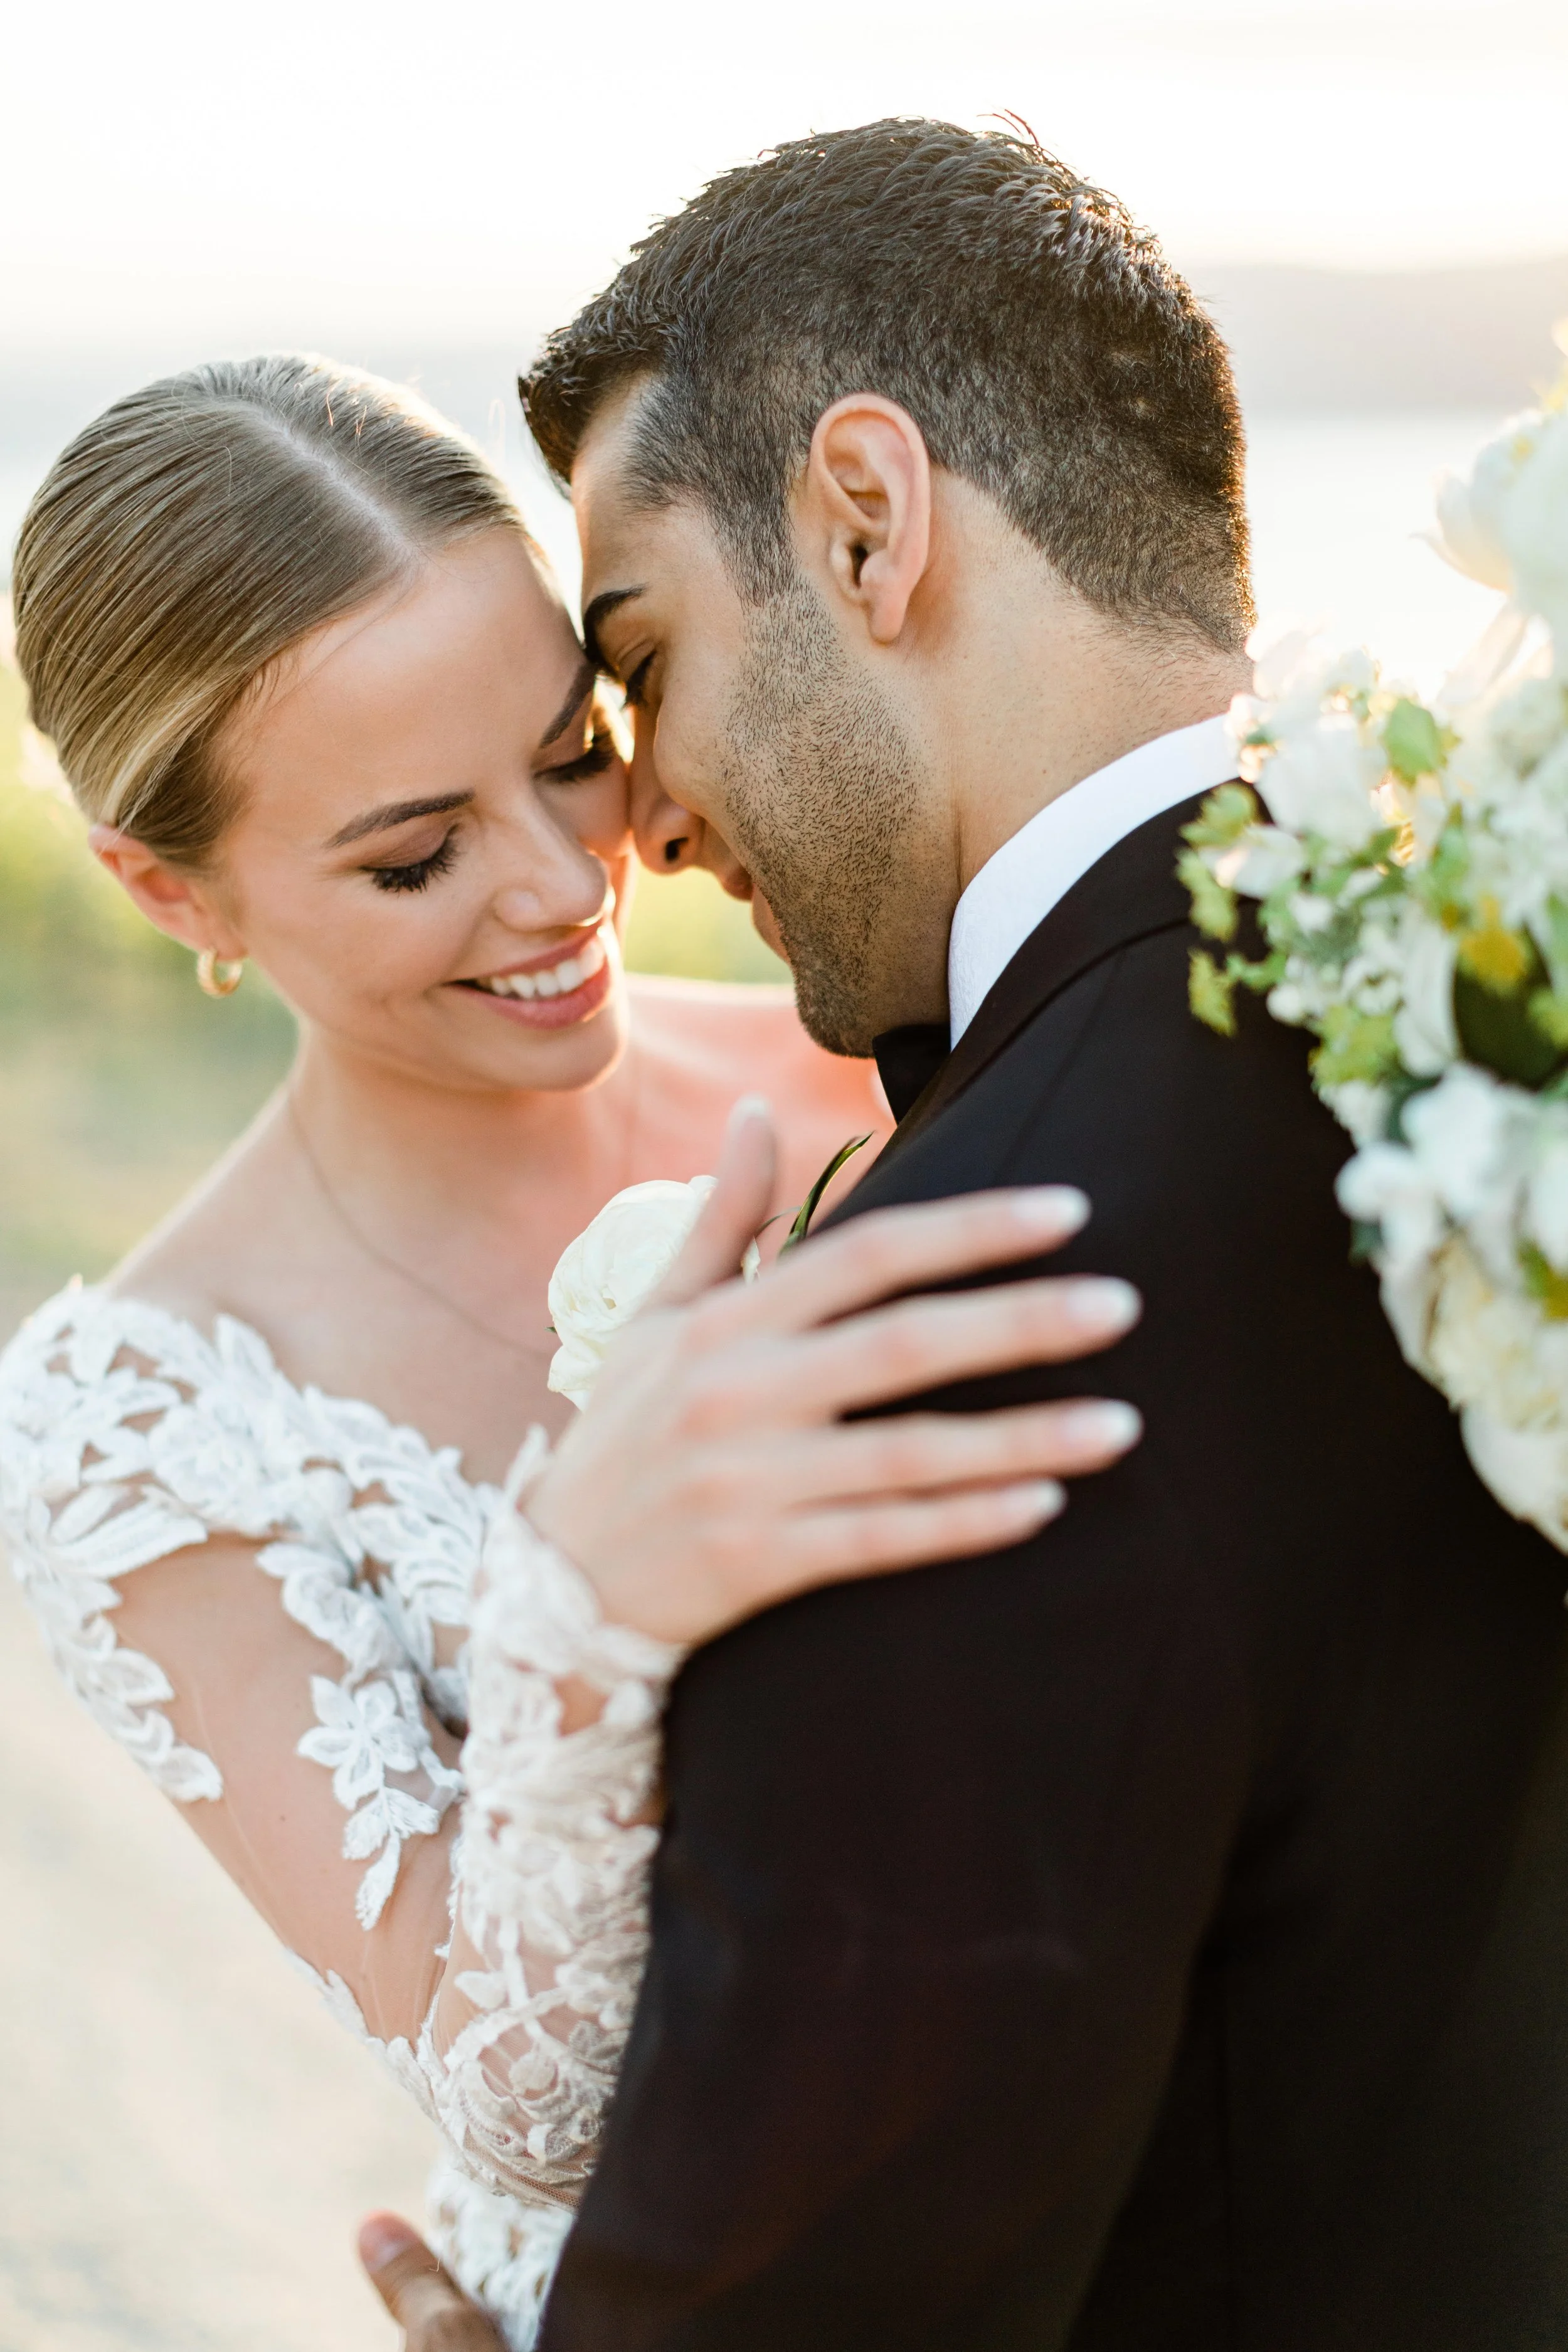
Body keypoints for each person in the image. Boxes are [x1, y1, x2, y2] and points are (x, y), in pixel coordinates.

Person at [502, 119, 1568, 2348]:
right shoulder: (1480, 1036)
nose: (653, 813)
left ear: (866, 523)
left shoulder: (955, 1319)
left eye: (644, 651)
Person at [0, 355, 1142, 2348]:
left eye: (574, 752)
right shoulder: (147, 1413)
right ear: (171, 886)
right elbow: (518, 2095)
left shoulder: (868, 1056)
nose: (559, 883)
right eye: (412, 853)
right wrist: (583, 1605)